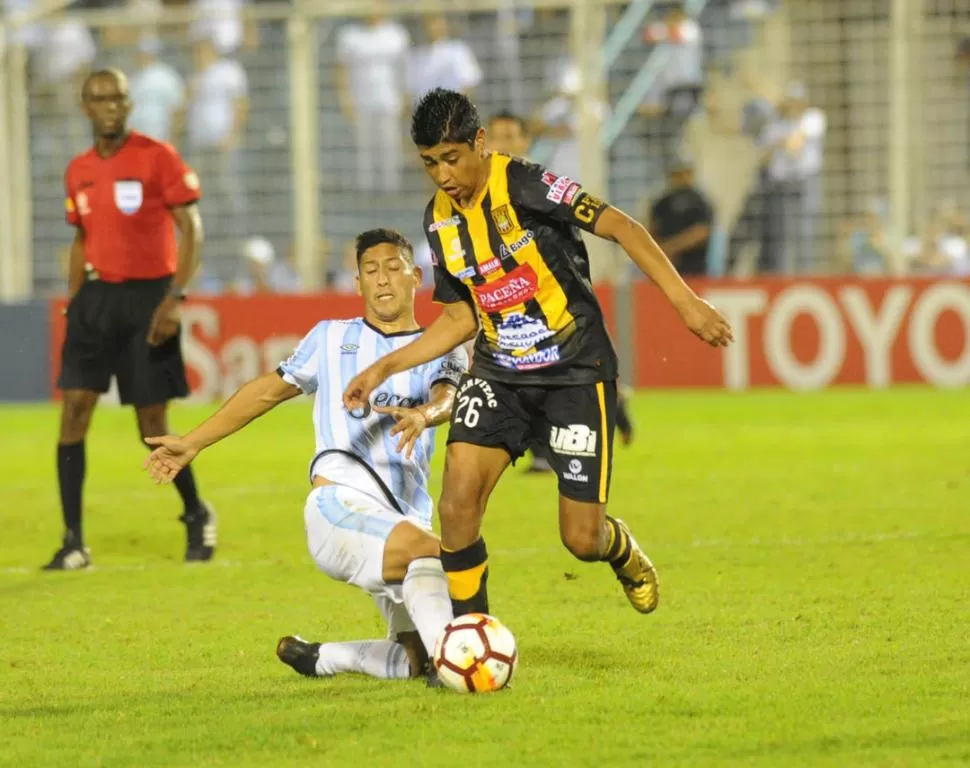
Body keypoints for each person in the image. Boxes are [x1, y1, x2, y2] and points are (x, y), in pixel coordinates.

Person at [344, 89, 734, 617]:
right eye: (430, 163)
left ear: (479, 143)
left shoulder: (527, 184)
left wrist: (685, 302)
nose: (442, 175)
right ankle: (469, 636)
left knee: (581, 539)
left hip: (575, 371)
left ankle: (620, 550)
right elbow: (461, 318)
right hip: (499, 374)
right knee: (457, 505)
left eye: (452, 159)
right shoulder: (439, 219)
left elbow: (620, 225)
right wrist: (384, 365)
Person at [144, 229, 466, 683]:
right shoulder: (331, 338)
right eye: (371, 271)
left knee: (412, 659)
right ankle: (463, 666)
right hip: (340, 506)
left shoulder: (443, 344)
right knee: (438, 557)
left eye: (394, 268)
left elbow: (448, 394)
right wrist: (193, 441)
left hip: (404, 519)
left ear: (416, 277)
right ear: (357, 284)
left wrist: (425, 415)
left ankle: (324, 658)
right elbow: (264, 393)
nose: (383, 280)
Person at [47, 68, 212, 570]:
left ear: (129, 103)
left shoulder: (156, 157)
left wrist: (174, 297)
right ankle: (73, 540)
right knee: (74, 412)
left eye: (118, 98)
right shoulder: (78, 170)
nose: (110, 106)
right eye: (99, 99)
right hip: (96, 299)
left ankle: (196, 512)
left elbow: (191, 227)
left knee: (151, 425)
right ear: (86, 107)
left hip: (149, 298)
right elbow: (81, 237)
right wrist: (75, 300)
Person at [487, 109, 635, 472]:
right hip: (512, 305)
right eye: (496, 137)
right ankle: (542, 452)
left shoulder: (539, 184)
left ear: (525, 141)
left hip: (557, 301)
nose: (502, 145)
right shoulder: (483, 194)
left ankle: (612, 409)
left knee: (563, 374)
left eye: (510, 137)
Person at [649, 154, 714, 277]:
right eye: (678, 174)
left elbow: (701, 232)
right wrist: (659, 250)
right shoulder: (662, 203)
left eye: (686, 173)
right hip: (666, 267)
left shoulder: (699, 201)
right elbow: (652, 230)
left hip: (694, 268)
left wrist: (671, 247)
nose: (683, 178)